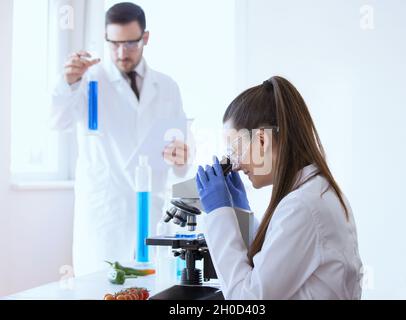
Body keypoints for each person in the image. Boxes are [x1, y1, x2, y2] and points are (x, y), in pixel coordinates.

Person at [51, 2, 189, 276]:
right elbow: (59, 121)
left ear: (145, 38)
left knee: (150, 287)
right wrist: (68, 82)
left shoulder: (167, 87)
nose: (121, 52)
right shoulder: (89, 79)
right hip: (105, 216)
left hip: (150, 212)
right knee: (101, 288)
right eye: (113, 44)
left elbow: (182, 155)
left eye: (130, 44)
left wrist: (181, 156)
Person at [196, 76, 362, 299]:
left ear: (262, 141)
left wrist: (218, 213)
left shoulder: (303, 206)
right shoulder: (313, 192)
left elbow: (247, 300)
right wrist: (240, 212)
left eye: (235, 150)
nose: (234, 164)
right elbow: (275, 260)